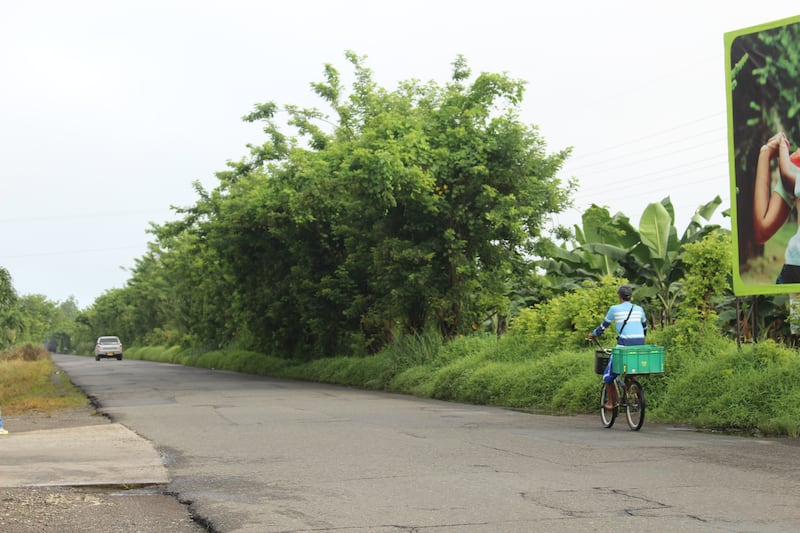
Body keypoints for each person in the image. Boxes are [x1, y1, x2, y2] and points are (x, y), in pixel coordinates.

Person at [587, 285, 646, 409]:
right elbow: (645, 327)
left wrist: (593, 334)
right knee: (631, 371)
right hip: (640, 345)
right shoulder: (639, 309)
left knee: (608, 377)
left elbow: (603, 327)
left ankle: (611, 402)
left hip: (623, 346)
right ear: (631, 296)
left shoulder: (614, 309)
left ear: (619, 296)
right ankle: (636, 396)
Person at [752, 132, 800, 283]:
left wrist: (775, 150)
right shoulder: (796, 163)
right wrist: (765, 153)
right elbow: (762, 231)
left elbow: (786, 176)